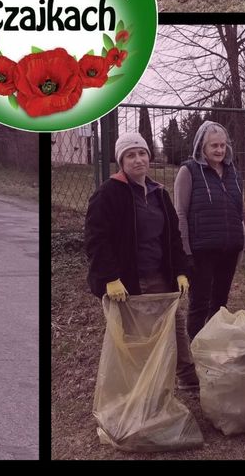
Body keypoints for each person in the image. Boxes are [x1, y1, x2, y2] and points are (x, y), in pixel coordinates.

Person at [84, 132, 196, 392]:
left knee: (175, 326)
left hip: (161, 275)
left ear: (149, 157)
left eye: (142, 153)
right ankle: (141, 387)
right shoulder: (109, 194)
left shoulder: (159, 194)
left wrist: (180, 271)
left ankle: (187, 377)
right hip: (130, 280)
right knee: (141, 336)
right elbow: (95, 239)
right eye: (130, 155)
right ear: (121, 162)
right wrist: (110, 277)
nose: (138, 160)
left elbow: (173, 237)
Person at [173, 121, 245, 341]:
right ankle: (195, 351)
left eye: (222, 145)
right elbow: (180, 213)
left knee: (220, 302)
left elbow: (243, 210)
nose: (219, 150)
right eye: (214, 146)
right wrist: (186, 252)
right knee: (199, 302)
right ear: (202, 147)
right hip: (201, 251)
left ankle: (213, 346)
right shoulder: (188, 171)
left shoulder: (233, 173)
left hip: (230, 249)